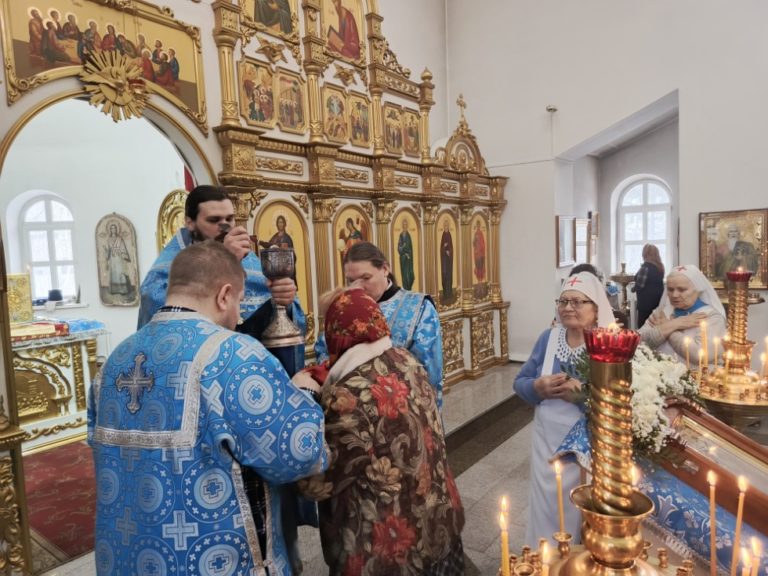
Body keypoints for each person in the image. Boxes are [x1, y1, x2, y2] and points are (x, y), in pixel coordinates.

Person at [88, 240, 327, 576]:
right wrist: (303, 393)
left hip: (125, 559)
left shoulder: (114, 362)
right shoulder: (233, 355)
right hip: (214, 560)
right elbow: (297, 453)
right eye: (240, 302)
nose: (238, 315)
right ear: (224, 295)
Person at [137, 185, 309, 572]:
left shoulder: (251, 259)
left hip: (253, 392)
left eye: (230, 219)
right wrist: (222, 260)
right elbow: (163, 314)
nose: (226, 227)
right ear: (190, 222)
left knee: (272, 494)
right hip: (196, 398)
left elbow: (290, 321)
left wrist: (285, 300)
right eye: (214, 220)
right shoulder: (169, 268)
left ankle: (282, 556)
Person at [297, 288, 465, 575]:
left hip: (388, 553)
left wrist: (304, 396)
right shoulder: (407, 361)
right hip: (439, 525)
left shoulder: (348, 399)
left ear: (337, 333)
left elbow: (314, 482)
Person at [514, 272, 615, 546]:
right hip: (546, 445)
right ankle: (542, 557)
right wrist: (537, 387)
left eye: (578, 302)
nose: (568, 308)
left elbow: (618, 401)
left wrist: (582, 396)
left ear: (596, 309)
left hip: (587, 450)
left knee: (579, 511)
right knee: (544, 507)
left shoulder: (607, 343)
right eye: (563, 301)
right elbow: (519, 382)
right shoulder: (548, 338)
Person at [315, 242, 445, 408]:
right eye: (351, 281)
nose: (358, 287)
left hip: (402, 407)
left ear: (385, 269)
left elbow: (429, 373)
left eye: (366, 278)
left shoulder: (419, 307)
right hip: (348, 408)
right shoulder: (343, 306)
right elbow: (324, 351)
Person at [639, 264, 726, 364]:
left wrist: (668, 329)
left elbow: (700, 355)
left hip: (694, 373)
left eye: (682, 290)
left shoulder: (711, 317)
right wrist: (675, 324)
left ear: (697, 290)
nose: (674, 295)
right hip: (656, 371)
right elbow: (638, 343)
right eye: (670, 289)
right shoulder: (662, 312)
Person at [632, 244, 665, 329]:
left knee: (643, 327)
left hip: (645, 305)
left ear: (645, 254)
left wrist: (633, 289)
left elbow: (639, 285)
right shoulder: (660, 267)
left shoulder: (645, 267)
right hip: (657, 303)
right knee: (654, 327)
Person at [105, 223, 131, 295]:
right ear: (110, 230)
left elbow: (123, 248)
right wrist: (106, 253)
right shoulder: (109, 240)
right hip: (112, 259)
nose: (113, 230)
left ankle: (123, 290)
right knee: (114, 273)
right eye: (112, 228)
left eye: (114, 228)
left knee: (120, 272)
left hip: (119, 258)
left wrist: (122, 253)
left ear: (116, 229)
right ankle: (114, 290)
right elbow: (108, 250)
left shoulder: (120, 239)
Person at [397, 219, 415, 290]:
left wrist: (409, 254)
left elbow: (411, 248)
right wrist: (403, 248)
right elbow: (399, 248)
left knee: (411, 276)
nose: (405, 226)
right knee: (405, 276)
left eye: (406, 224)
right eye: (404, 224)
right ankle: (406, 290)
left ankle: (409, 289)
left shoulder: (408, 235)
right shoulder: (401, 235)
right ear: (402, 226)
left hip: (409, 259)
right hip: (403, 259)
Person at [440, 220, 454, 302]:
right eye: (445, 226)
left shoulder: (449, 235)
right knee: (444, 276)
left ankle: (449, 293)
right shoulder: (443, 235)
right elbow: (441, 249)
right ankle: (445, 294)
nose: (446, 227)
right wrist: (444, 248)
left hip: (449, 261)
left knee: (449, 276)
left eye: (447, 226)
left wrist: (450, 252)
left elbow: (452, 248)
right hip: (444, 261)